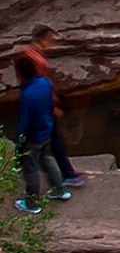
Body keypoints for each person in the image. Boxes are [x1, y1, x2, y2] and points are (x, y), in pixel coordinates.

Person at [18, 28, 84, 189]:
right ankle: (67, 176)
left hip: (37, 103)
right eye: (50, 39)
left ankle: (63, 177)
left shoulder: (31, 54)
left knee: (47, 141)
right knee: (52, 142)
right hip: (42, 105)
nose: (52, 42)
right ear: (41, 38)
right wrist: (53, 105)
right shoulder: (34, 58)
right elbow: (41, 84)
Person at [13, 55, 65, 212]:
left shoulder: (27, 95)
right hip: (47, 129)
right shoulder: (45, 82)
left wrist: (19, 142)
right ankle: (59, 189)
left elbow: (24, 121)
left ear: (19, 74)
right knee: (47, 158)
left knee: (31, 169)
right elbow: (51, 103)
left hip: (33, 136)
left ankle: (31, 203)